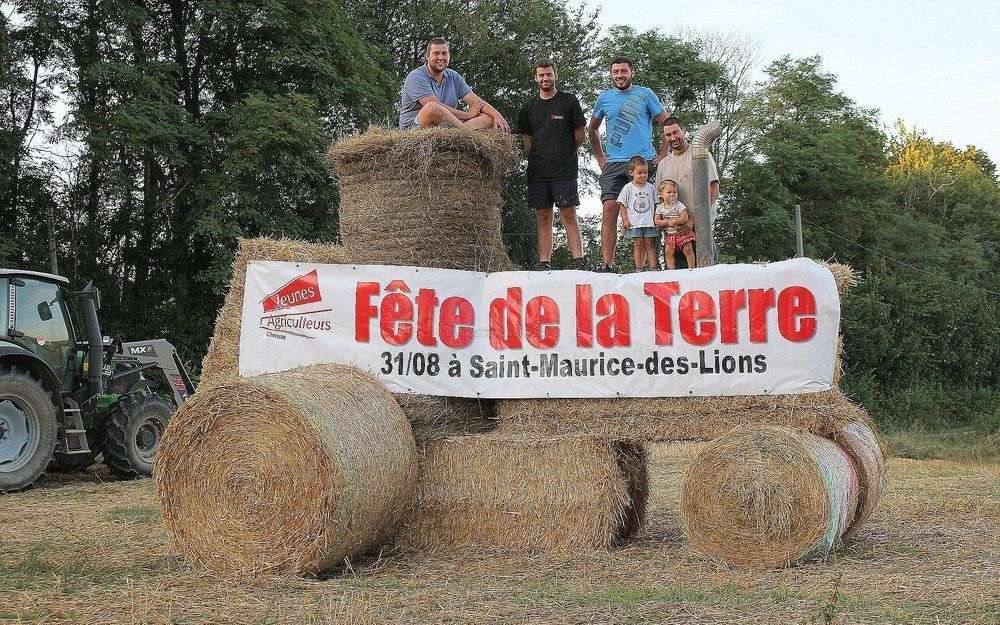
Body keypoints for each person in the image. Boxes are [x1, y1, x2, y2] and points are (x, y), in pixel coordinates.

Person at [588, 56, 671, 272]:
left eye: (623, 71)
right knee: (609, 208)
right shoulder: (604, 99)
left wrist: (663, 154)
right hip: (615, 163)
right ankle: (607, 263)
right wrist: (600, 158)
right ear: (611, 74)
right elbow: (592, 129)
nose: (619, 75)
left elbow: (667, 123)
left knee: (650, 212)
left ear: (631, 72)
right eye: (615, 72)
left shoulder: (645, 94)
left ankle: (650, 266)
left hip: (643, 161)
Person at [516, 59, 588, 271]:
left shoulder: (569, 101)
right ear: (535, 78)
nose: (545, 78)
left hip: (564, 170)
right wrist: (536, 156)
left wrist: (564, 153)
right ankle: (544, 261)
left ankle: (579, 259)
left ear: (555, 75)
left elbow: (580, 135)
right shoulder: (529, 106)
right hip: (538, 171)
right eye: (541, 75)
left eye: (549, 74)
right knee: (543, 216)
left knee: (568, 214)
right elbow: (526, 139)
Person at [399, 38, 510, 132]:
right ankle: (464, 135)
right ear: (427, 57)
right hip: (414, 129)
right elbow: (435, 107)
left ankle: (458, 134)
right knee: (432, 107)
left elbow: (476, 101)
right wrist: (468, 115)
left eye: (444, 53)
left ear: (449, 56)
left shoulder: (454, 76)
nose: (441, 57)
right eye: (436, 53)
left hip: (442, 127)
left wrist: (497, 116)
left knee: (488, 118)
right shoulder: (416, 76)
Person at [653, 117, 720, 257]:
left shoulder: (701, 154)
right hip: (674, 234)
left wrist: (694, 219)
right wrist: (666, 223)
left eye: (676, 132)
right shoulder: (663, 164)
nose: (673, 137)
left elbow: (713, 189)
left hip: (700, 230)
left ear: (684, 131)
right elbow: (659, 200)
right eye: (668, 135)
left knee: (705, 274)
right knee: (677, 276)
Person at [616, 156, 659, 272]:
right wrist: (625, 220)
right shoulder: (628, 188)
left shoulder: (651, 188)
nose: (643, 175)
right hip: (635, 222)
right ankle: (638, 268)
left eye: (645, 172)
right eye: (639, 173)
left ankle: (653, 268)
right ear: (631, 173)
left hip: (649, 222)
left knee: (650, 245)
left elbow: (656, 204)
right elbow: (622, 205)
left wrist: (656, 218)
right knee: (638, 245)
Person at [653, 179, 696, 269]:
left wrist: (676, 221)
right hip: (669, 235)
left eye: (675, 192)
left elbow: (685, 217)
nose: (672, 194)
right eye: (669, 192)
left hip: (682, 234)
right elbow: (656, 220)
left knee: (688, 249)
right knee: (668, 252)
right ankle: (671, 271)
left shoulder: (679, 205)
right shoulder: (660, 207)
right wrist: (665, 222)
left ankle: (692, 268)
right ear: (661, 195)